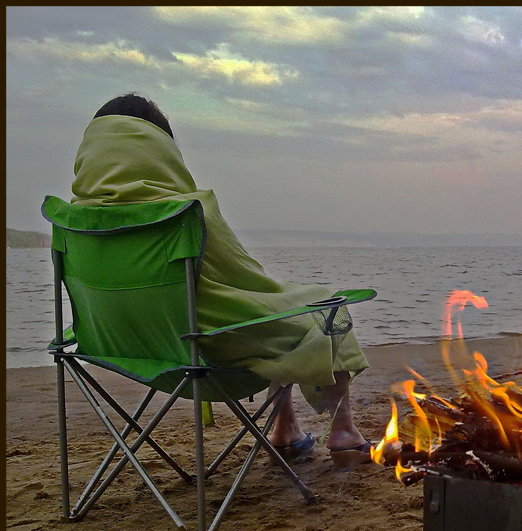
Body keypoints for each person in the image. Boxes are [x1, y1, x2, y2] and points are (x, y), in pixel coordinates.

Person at [72, 94, 373, 469]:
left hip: (123, 350)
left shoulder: (71, 224)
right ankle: (343, 432)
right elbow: (250, 282)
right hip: (207, 353)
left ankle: (286, 429)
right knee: (322, 308)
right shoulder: (185, 212)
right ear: (161, 149)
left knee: (281, 317)